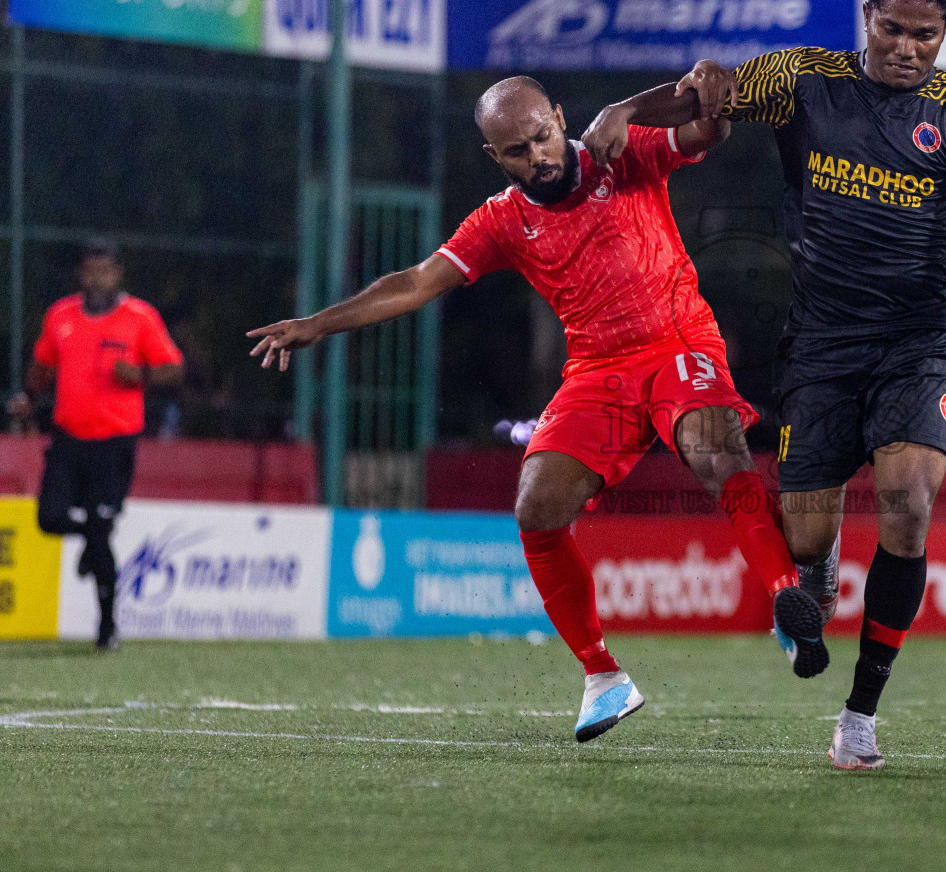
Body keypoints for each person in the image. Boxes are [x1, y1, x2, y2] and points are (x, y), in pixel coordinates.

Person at [583, 0, 946, 770]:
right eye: (892, 28)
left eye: (926, 34)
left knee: (908, 505)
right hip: (820, 342)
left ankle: (859, 715)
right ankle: (816, 575)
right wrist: (622, 110)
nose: (907, 47)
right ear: (867, 19)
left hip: (918, 339)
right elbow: (709, 91)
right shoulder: (802, 78)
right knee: (807, 542)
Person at [247, 76, 826, 745]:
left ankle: (789, 600)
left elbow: (711, 120)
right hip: (597, 373)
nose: (538, 156)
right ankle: (604, 677)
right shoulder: (499, 221)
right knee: (536, 507)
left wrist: (627, 107)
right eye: (517, 151)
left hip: (677, 343)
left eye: (542, 136)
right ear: (496, 157)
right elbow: (415, 281)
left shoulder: (622, 150)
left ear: (559, 116)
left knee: (714, 451)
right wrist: (319, 324)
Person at [6, 240, 184, 650]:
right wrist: (28, 399)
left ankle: (107, 628)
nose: (96, 278)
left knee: (101, 529)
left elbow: (173, 371)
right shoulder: (61, 315)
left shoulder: (140, 318)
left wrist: (139, 375)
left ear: (118, 273)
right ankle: (90, 534)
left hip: (114, 443)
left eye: (104, 270)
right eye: (89, 270)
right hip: (68, 439)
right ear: (80, 274)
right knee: (49, 518)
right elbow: (43, 364)